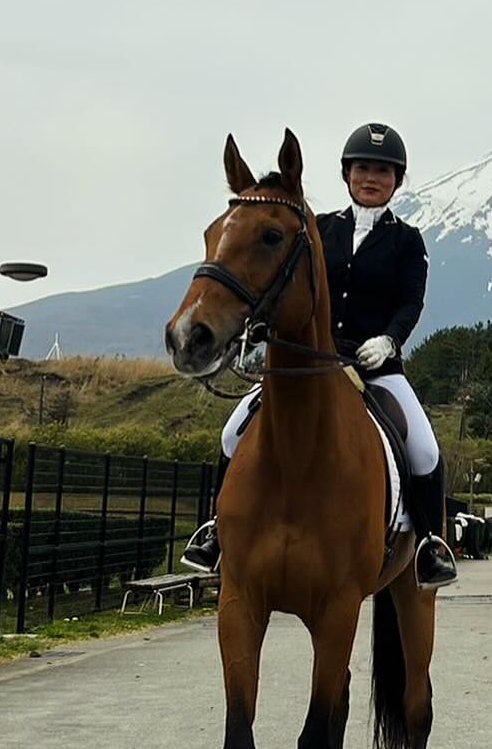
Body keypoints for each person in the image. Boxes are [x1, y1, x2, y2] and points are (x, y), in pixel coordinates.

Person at [181, 121, 457, 587]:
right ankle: (214, 529)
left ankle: (429, 544)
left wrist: (390, 340)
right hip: (313, 363)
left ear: (398, 180)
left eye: (384, 171)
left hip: (376, 366)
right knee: (233, 433)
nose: (372, 178)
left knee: (425, 450)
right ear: (347, 174)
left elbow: (411, 301)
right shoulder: (318, 230)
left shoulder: (408, 241)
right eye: (363, 168)